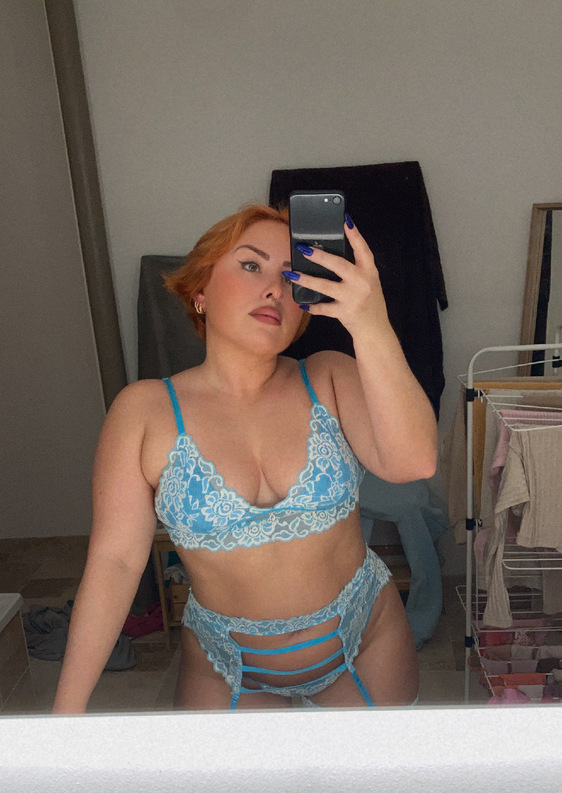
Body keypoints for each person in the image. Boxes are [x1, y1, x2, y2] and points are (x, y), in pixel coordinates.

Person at [53, 204, 437, 713]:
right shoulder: (143, 411)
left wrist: (371, 324)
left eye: (291, 276)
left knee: (381, 769)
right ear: (200, 291)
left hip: (365, 640)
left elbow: (414, 462)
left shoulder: (328, 376)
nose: (274, 288)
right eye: (251, 265)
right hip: (226, 665)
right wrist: (65, 716)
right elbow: (116, 561)